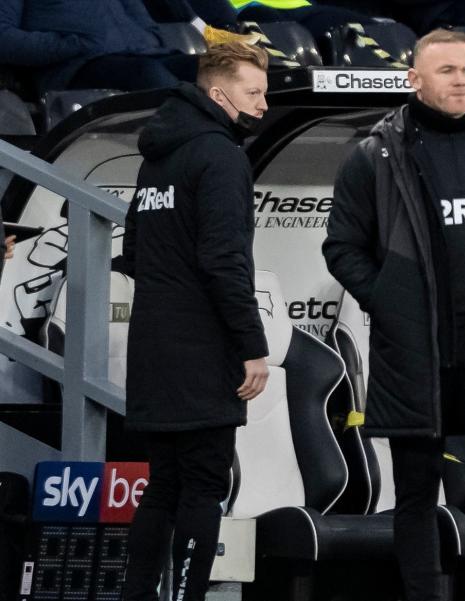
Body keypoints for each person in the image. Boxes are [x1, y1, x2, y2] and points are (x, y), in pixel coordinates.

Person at [322, 29, 465, 601]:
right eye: (447, 71)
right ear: (413, 80)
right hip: (415, 350)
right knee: (417, 485)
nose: (462, 80)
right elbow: (341, 247)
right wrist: (390, 300)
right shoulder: (375, 154)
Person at [121, 42, 270, 601]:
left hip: (154, 349)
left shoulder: (155, 156)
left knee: (161, 488)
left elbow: (132, 251)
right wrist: (251, 345)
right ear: (217, 93)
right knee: (202, 491)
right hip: (205, 351)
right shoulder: (221, 156)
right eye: (253, 93)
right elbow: (223, 261)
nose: (261, 106)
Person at [0, 0, 198, 93]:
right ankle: (204, 146)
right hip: (72, 67)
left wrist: (150, 36)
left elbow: (138, 12)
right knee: (146, 73)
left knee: (206, 66)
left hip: (141, 53)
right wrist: (70, 45)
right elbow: (4, 38)